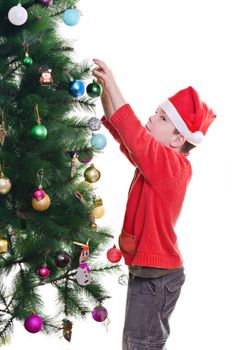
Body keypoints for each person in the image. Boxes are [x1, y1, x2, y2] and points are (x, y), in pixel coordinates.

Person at [92, 58, 216, 350]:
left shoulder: (172, 166)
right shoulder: (155, 163)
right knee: (133, 342)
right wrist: (104, 94)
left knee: (141, 344)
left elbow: (135, 137)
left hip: (158, 278)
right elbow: (127, 138)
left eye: (161, 118)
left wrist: (113, 84)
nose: (150, 118)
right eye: (156, 113)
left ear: (178, 138)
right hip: (146, 272)